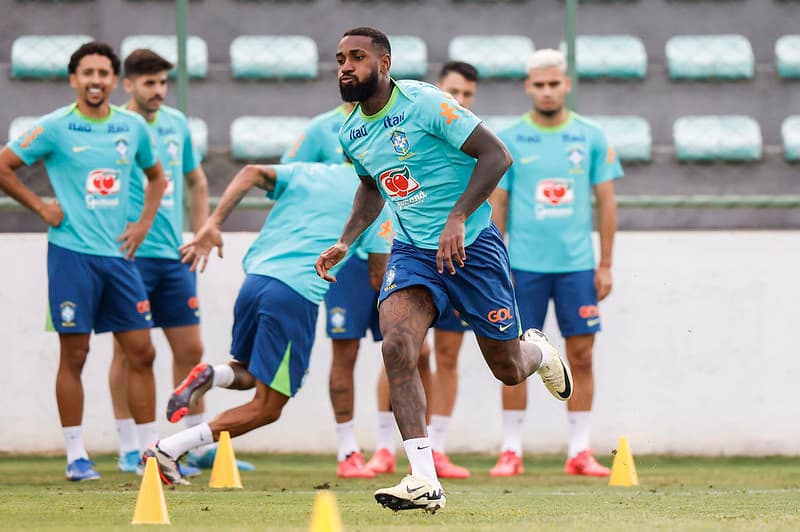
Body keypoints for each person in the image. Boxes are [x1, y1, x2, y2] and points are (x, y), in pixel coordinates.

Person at [315, 27, 573, 513]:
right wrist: (345, 241)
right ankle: (423, 477)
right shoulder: (351, 130)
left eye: (357, 57)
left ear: (385, 64)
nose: (346, 66)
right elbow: (372, 186)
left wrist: (457, 217)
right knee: (396, 346)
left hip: (472, 246)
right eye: (339, 59)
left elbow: (497, 155)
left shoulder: (426, 103)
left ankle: (535, 351)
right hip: (413, 251)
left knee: (508, 370)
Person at [141, 159, 391, 486]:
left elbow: (249, 172)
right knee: (268, 407)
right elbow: (378, 276)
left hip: (255, 281)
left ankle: (211, 374)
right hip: (295, 294)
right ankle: (169, 449)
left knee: (246, 372)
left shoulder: (308, 171)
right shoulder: (376, 203)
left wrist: (213, 222)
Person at [0, 42, 167, 481]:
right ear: (74, 79)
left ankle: (145, 452)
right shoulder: (56, 126)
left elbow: (157, 177)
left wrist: (143, 223)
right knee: (75, 353)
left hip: (120, 256)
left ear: (114, 80)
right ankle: (76, 455)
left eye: (103, 73)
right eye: (87, 73)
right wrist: (43, 209)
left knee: (143, 352)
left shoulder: (132, 127)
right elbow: (4, 165)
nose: (95, 81)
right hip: (71, 256)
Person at [106, 49, 252, 474]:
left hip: (173, 255)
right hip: (127, 255)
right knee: (129, 352)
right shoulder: (117, 126)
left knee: (191, 349)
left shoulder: (176, 125)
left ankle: (195, 440)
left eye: (163, 83)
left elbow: (196, 179)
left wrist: (202, 231)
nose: (158, 91)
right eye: (149, 83)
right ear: (128, 84)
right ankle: (130, 446)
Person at [489, 49, 622, 478]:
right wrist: (493, 267)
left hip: (577, 267)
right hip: (522, 267)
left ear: (567, 85)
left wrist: (604, 264)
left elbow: (605, 201)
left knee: (581, 354)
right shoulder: (509, 138)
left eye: (554, 84)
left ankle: (579, 451)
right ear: (528, 87)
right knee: (512, 356)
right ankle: (511, 451)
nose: (547, 91)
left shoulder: (591, 136)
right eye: (539, 85)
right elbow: (499, 204)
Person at [366, 61, 480, 480]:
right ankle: (383, 447)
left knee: (448, 355)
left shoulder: (469, 142)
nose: (460, 101)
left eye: (468, 94)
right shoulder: (415, 129)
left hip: (463, 255)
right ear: (439, 91)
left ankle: (440, 448)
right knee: (402, 348)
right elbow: (382, 189)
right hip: (413, 254)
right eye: (454, 92)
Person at [282, 101, 396, 479]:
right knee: (344, 353)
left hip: (397, 253)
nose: (351, 69)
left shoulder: (399, 119)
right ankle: (348, 451)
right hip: (344, 261)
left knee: (407, 351)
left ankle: (389, 448)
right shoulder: (322, 128)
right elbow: (287, 178)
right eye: (345, 61)